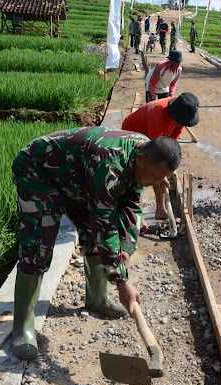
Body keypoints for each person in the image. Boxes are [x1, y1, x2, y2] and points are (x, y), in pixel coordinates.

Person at [11, 127, 181, 360]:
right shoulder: (110, 164)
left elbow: (131, 205)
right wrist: (122, 282)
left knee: (92, 232)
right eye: (156, 176)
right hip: (38, 171)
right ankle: (22, 327)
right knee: (38, 245)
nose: (158, 183)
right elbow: (105, 224)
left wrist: (127, 249)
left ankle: (97, 298)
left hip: (75, 176)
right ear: (141, 160)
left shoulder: (145, 149)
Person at [122, 92, 199, 222]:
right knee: (142, 173)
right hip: (133, 131)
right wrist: (162, 176)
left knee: (159, 172)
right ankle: (139, 216)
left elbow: (171, 141)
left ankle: (160, 210)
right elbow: (154, 157)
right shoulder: (158, 118)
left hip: (151, 133)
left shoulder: (180, 110)